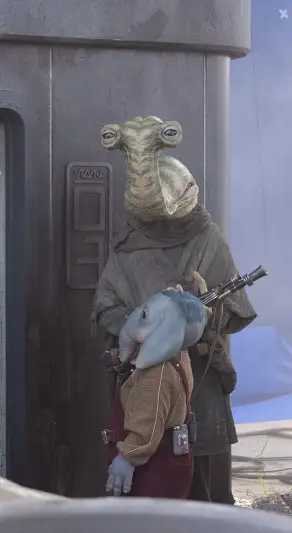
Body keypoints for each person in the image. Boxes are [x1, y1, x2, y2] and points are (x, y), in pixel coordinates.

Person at [93, 116, 256, 503]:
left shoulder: (207, 239)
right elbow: (104, 308)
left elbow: (234, 311)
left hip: (197, 379)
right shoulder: (127, 246)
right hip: (142, 376)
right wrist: (143, 324)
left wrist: (197, 316)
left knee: (206, 496)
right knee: (145, 484)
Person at [103, 284, 209, 498]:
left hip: (152, 471)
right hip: (170, 463)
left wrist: (128, 457)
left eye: (144, 315)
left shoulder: (156, 372)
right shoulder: (179, 354)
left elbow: (147, 423)